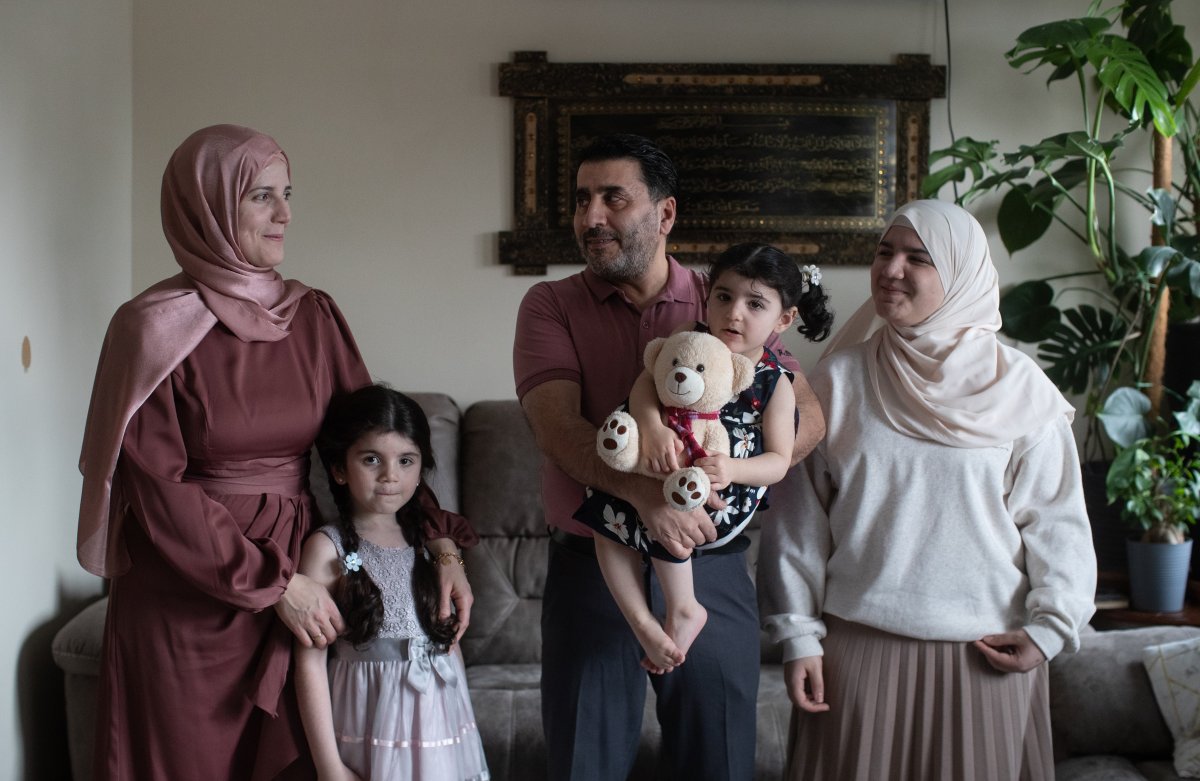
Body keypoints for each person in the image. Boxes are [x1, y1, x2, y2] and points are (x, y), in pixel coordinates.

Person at [76, 124, 476, 781]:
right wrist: (273, 584)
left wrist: (442, 546)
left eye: (287, 194)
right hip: (189, 601)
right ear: (205, 204)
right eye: (262, 196)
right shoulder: (148, 329)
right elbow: (157, 489)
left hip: (304, 581)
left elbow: (378, 443)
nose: (285, 214)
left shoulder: (312, 317)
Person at [513, 133, 825, 780]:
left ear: (665, 214)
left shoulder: (727, 301)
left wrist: (730, 476)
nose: (590, 215)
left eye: (613, 198)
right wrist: (644, 497)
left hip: (711, 563)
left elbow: (807, 415)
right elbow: (557, 428)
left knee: (719, 759)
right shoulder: (550, 305)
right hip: (595, 568)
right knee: (583, 764)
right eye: (581, 199)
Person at [758, 199, 1098, 781]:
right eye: (884, 252)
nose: (891, 270)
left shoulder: (1022, 391)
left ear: (962, 273)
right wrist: (796, 635)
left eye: (917, 258)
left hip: (987, 655)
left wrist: (1049, 630)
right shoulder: (838, 380)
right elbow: (797, 524)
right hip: (856, 653)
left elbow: (1058, 522)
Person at [573, 243, 833, 674]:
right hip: (660, 457)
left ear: (784, 319)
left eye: (756, 304)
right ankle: (640, 620)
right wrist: (652, 426)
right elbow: (644, 384)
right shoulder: (689, 341)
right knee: (602, 504)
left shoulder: (775, 382)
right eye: (724, 297)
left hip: (715, 491)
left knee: (678, 504)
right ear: (707, 296)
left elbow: (779, 460)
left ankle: (684, 606)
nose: (735, 314)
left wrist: (730, 468)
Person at [295, 385, 489, 781]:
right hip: (371, 723)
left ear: (422, 469)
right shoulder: (325, 549)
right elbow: (309, 663)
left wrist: (460, 719)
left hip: (442, 725)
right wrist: (329, 767)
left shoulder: (429, 544)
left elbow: (450, 644)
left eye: (406, 460)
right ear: (338, 469)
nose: (390, 476)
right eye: (371, 459)